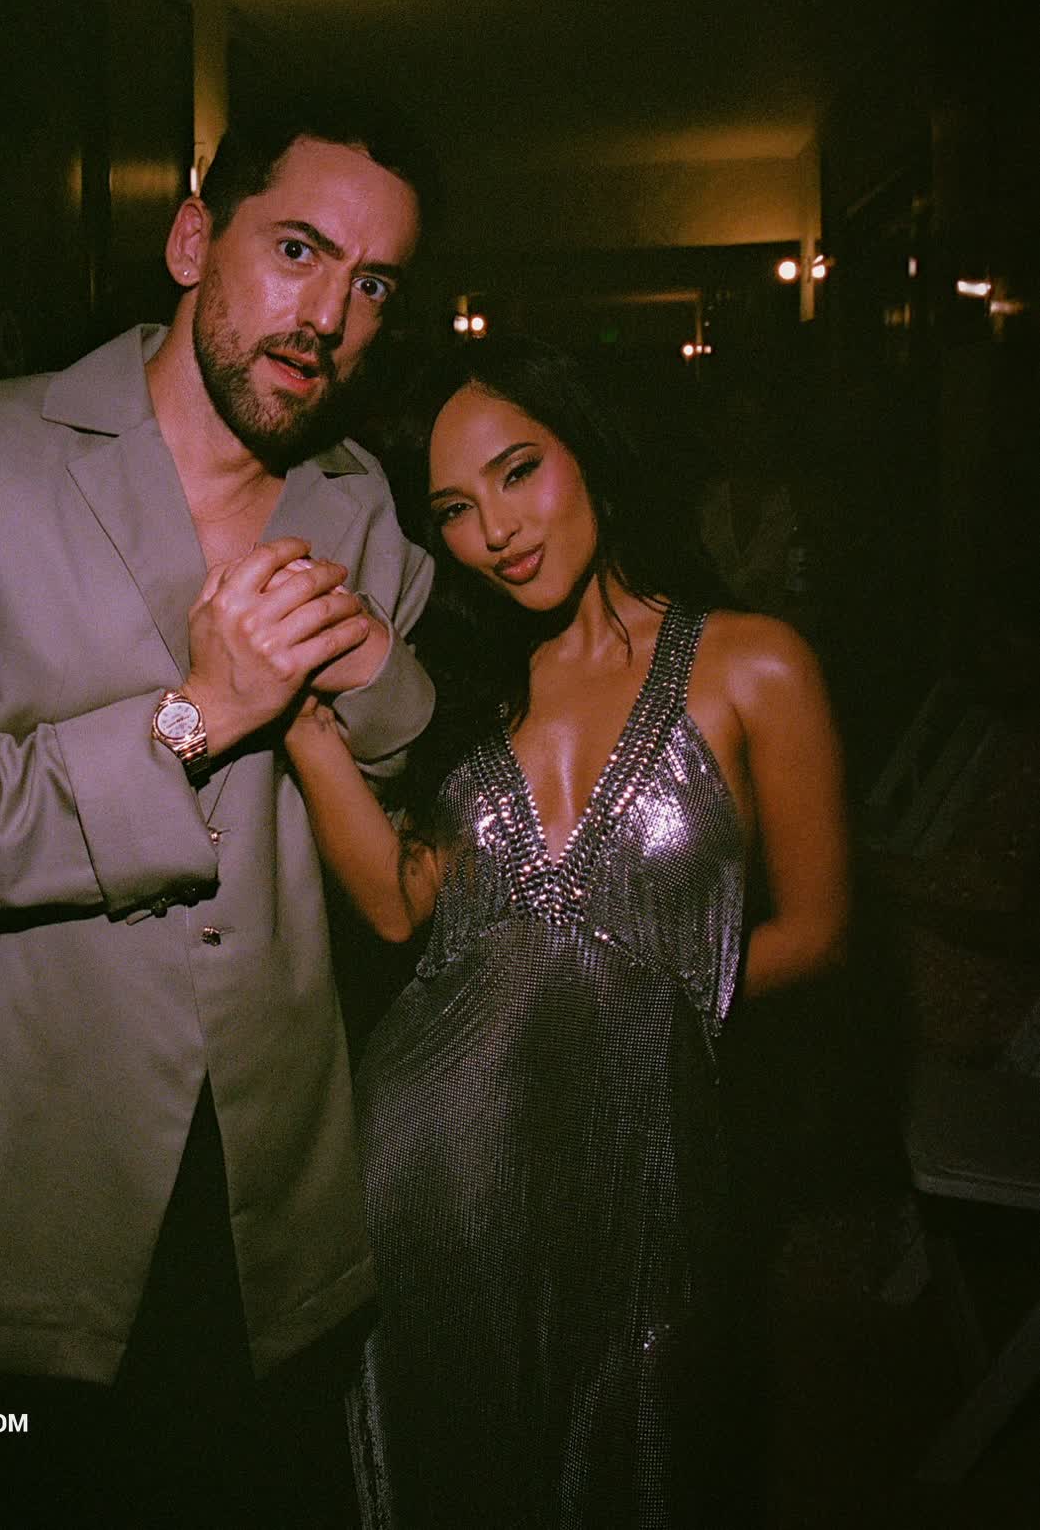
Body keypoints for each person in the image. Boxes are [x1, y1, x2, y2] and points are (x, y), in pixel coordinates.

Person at [0, 94, 437, 1527]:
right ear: (194, 239)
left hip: (261, 1188)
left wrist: (379, 684)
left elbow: (389, 775)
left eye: (373, 285)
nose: (328, 316)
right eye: (297, 250)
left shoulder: (359, 504)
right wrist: (189, 719)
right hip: (15, 1160)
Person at [283, 333, 850, 1528]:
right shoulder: (468, 690)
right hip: (431, 1174)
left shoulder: (755, 662)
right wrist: (299, 724)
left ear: (587, 449)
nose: (494, 528)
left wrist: (636, 1018)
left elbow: (820, 929)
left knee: (636, 1461)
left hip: (641, 1172)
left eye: (518, 470)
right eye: (453, 508)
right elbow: (398, 902)